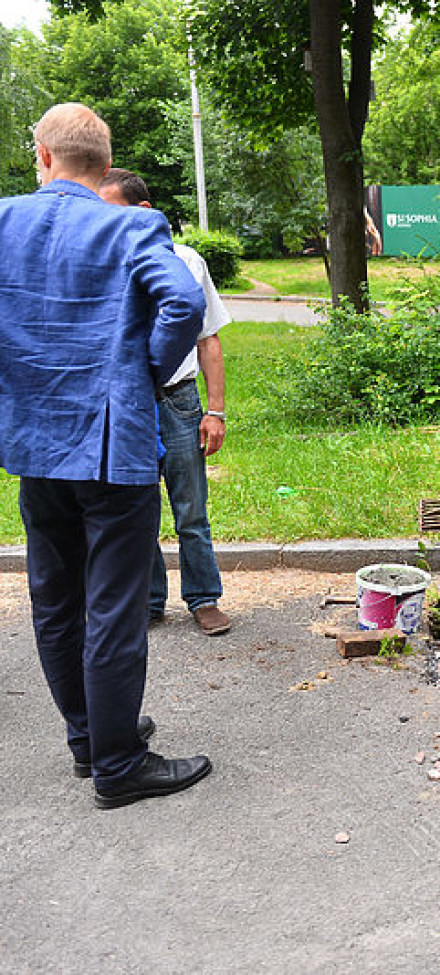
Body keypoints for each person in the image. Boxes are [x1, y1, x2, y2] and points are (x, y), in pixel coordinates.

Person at [0, 103, 213, 808]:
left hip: (35, 443)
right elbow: (182, 302)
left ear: (43, 155)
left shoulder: (5, 221)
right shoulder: (131, 223)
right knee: (114, 607)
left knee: (56, 599)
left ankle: (91, 738)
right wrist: (144, 373)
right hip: (111, 445)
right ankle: (119, 764)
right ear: (104, 160)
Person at [99, 168, 232, 636]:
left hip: (178, 402)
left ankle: (203, 598)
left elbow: (208, 340)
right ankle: (149, 601)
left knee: (191, 508)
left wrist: (214, 411)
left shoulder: (186, 261)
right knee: (137, 509)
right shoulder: (103, 264)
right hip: (127, 404)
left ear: (144, 213)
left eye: (112, 213)